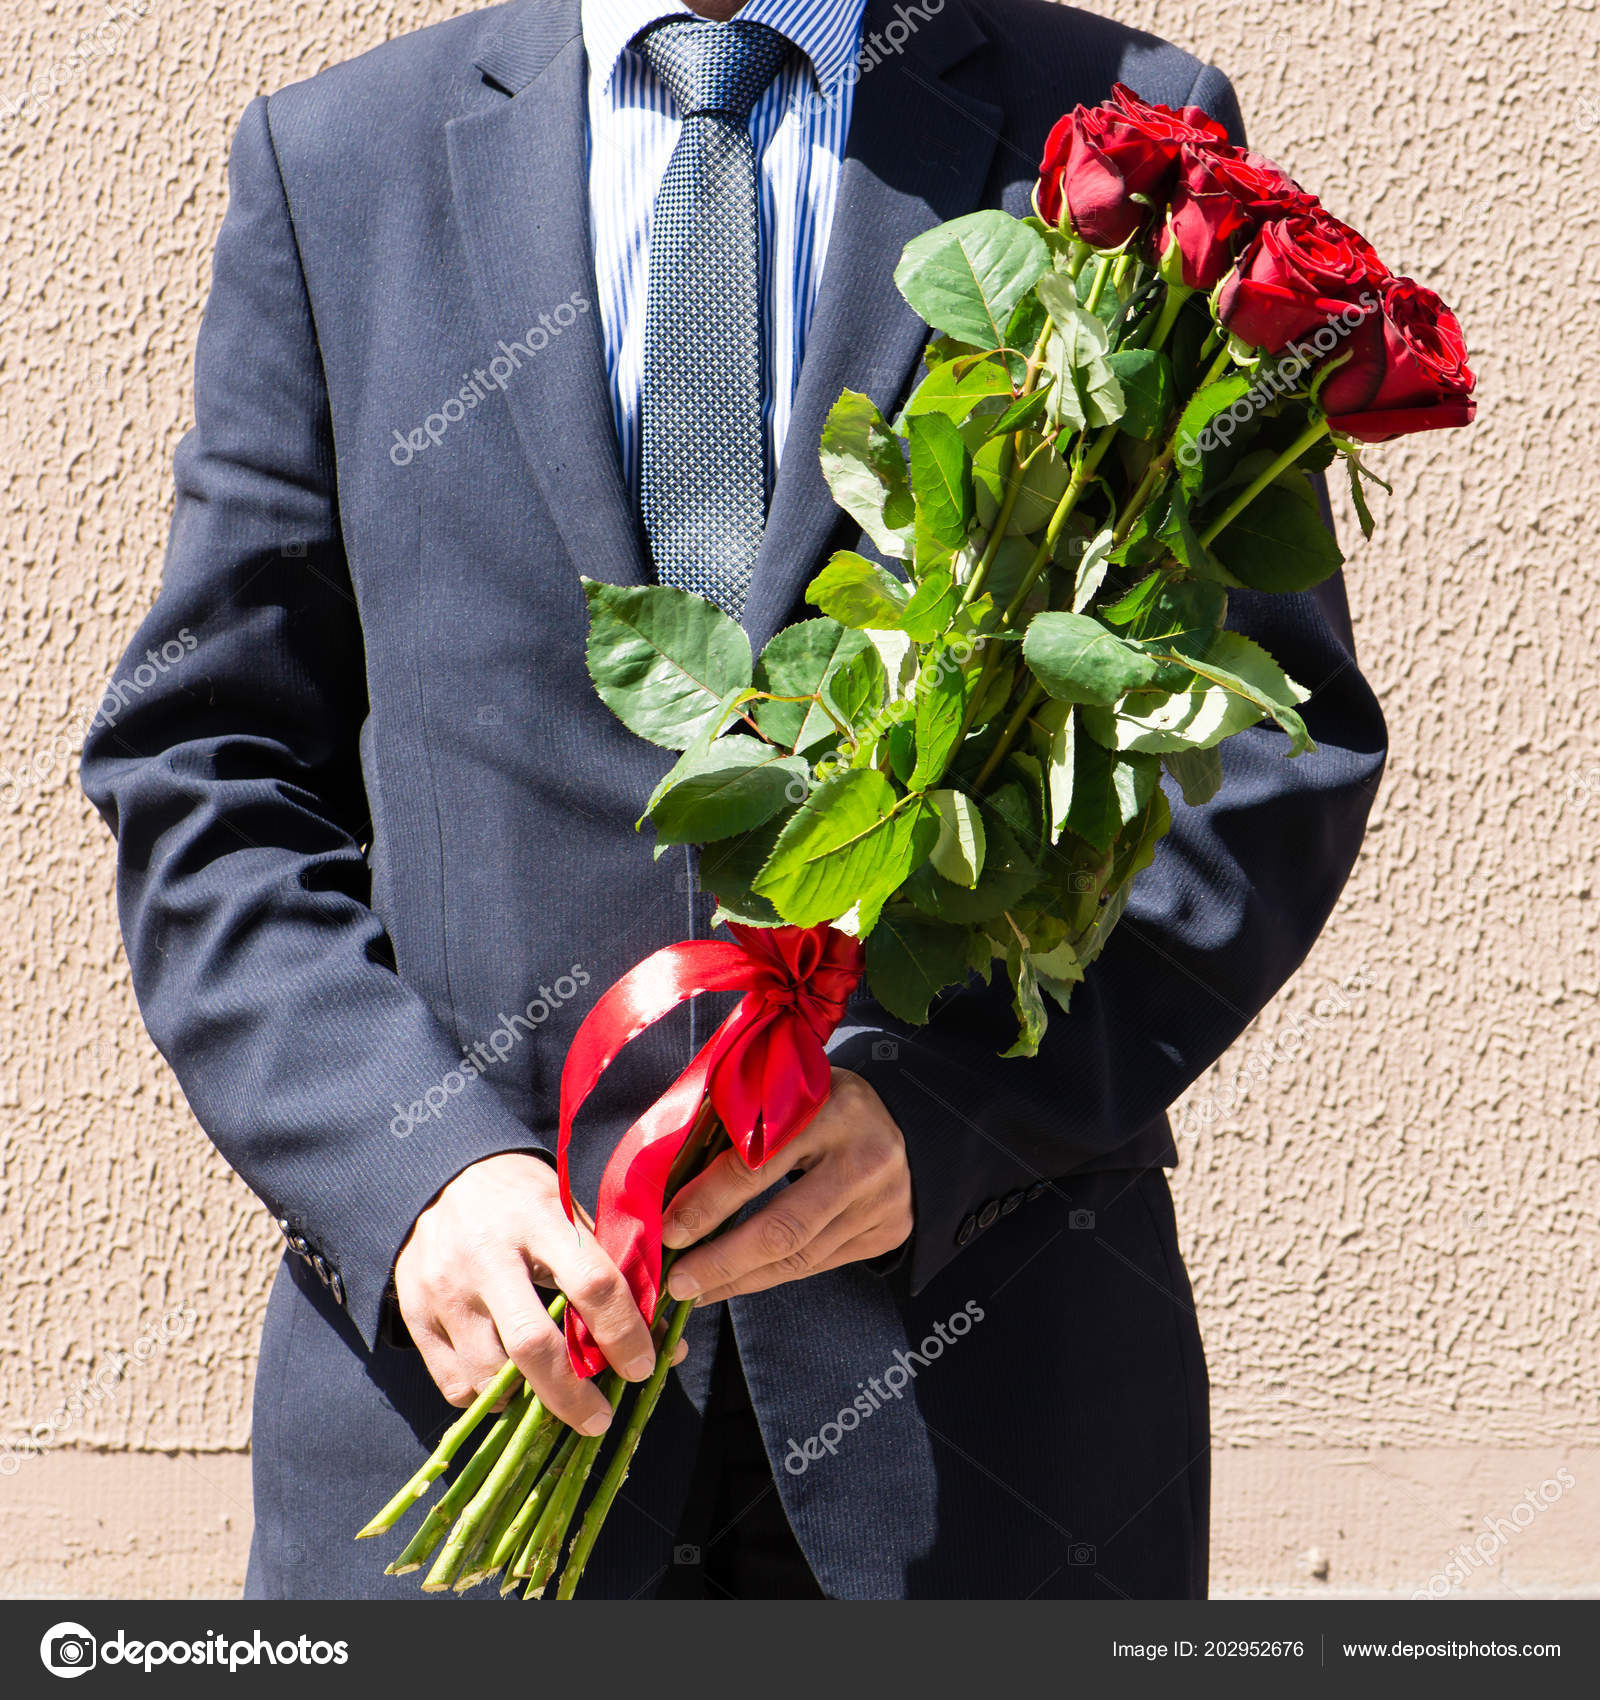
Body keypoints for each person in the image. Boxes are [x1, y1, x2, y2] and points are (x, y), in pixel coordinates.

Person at [81, 0, 1385, 1600]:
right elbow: (209, 764)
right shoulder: (336, 165)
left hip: (985, 1435)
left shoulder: (1117, 128)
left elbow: (1266, 739)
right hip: (469, 1435)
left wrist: (946, 1109)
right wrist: (414, 1171)